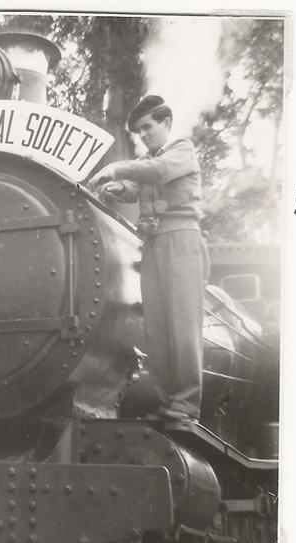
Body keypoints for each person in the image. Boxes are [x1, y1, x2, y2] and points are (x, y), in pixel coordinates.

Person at [88, 95, 207, 422]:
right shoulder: (148, 161)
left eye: (148, 127)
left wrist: (115, 167)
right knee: (155, 326)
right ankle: (168, 401)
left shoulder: (180, 149)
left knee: (182, 325)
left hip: (181, 240)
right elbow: (133, 188)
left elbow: (158, 172)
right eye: (139, 131)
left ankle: (187, 404)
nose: (144, 134)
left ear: (166, 123)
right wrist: (116, 189)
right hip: (152, 244)